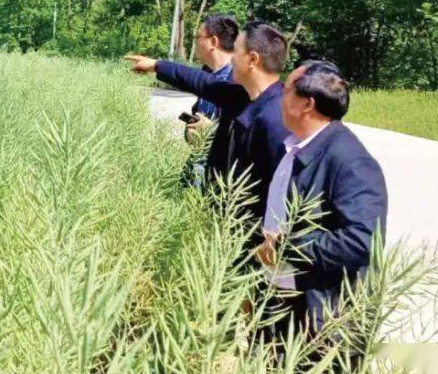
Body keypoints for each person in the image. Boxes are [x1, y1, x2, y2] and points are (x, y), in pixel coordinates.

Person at [255, 60, 388, 334]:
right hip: (279, 301)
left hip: (322, 320)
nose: (280, 95)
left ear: (307, 104)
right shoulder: (293, 148)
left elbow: (363, 240)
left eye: (288, 89)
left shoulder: (351, 160)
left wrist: (287, 247)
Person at [125, 20, 290, 217]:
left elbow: (280, 189)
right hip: (219, 212)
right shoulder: (240, 95)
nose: (231, 60)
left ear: (253, 59)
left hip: (244, 230)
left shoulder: (278, 118)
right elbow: (201, 81)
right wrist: (156, 65)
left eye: (236, 52)